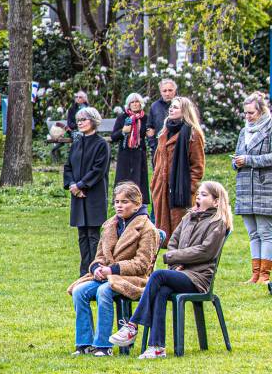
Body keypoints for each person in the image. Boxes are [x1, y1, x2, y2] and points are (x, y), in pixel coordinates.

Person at [110, 181, 231, 358]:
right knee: (161, 290)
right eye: (198, 193)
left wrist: (174, 258)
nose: (198, 196)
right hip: (179, 273)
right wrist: (175, 265)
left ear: (216, 202)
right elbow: (172, 242)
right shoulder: (188, 218)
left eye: (204, 195)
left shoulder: (217, 223)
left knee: (158, 276)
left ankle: (132, 325)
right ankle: (157, 347)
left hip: (198, 279)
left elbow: (206, 251)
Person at [65, 182, 157, 356]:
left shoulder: (147, 228)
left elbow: (142, 265)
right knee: (79, 291)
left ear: (137, 204)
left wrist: (113, 270)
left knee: (104, 291)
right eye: (116, 202)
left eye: (124, 202)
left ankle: (103, 346)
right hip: (107, 276)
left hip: (134, 279)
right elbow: (99, 256)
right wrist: (97, 268)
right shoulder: (109, 225)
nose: (119, 206)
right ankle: (84, 344)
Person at [151, 96, 205, 245]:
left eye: (175, 107)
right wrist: (155, 183)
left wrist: (189, 188)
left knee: (181, 237)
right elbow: (157, 161)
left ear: (185, 111)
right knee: (162, 238)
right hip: (161, 192)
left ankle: (179, 267)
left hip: (180, 192)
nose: (171, 109)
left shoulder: (193, 134)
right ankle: (168, 266)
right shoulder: (164, 132)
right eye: (171, 107)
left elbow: (197, 167)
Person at [64, 107, 111, 275]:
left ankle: (95, 270)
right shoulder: (77, 144)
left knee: (93, 236)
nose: (80, 123)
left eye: (84, 119)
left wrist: (82, 185)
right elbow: (68, 166)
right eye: (78, 120)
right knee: (82, 235)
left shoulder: (101, 144)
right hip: (77, 195)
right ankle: (84, 272)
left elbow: (98, 170)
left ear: (93, 121)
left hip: (94, 194)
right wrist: (72, 185)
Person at [233, 93, 272, 284]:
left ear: (262, 110)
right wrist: (237, 162)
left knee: (266, 232)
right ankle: (255, 273)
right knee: (252, 234)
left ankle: (265, 275)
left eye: (251, 113)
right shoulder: (244, 131)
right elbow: (240, 154)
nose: (248, 116)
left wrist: (249, 160)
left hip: (265, 186)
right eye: (245, 113)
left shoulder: (270, 129)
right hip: (245, 187)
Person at [111, 93, 151, 205]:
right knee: (123, 181)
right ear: (128, 104)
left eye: (137, 101)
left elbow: (149, 133)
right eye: (132, 102)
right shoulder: (123, 117)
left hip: (139, 153)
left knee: (139, 181)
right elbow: (114, 137)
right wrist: (123, 131)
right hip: (125, 153)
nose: (134, 104)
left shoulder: (145, 118)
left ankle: (138, 204)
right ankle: (122, 203)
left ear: (140, 103)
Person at [148, 79, 177, 161]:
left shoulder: (182, 104)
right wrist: (153, 144)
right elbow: (149, 127)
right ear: (161, 92)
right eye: (164, 91)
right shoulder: (154, 106)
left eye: (170, 90)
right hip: (159, 147)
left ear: (175, 90)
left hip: (177, 146)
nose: (167, 93)